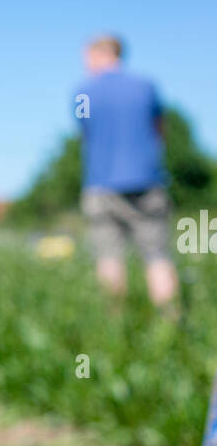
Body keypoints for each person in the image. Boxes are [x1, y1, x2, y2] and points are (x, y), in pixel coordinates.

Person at [76, 35, 178, 308]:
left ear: (101, 54)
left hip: (100, 183)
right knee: (157, 255)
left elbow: (85, 134)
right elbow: (159, 129)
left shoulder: (82, 92)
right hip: (146, 179)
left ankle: (114, 326)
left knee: (108, 256)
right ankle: (169, 322)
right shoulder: (146, 86)